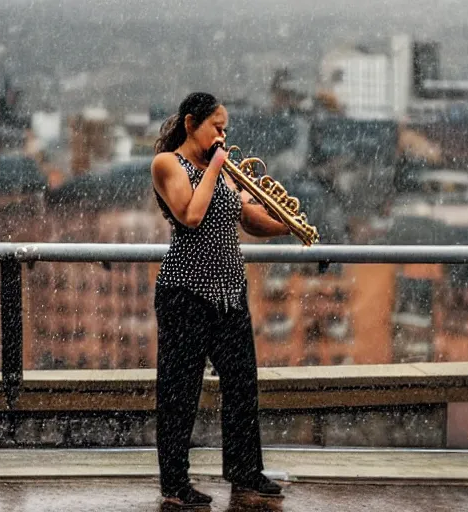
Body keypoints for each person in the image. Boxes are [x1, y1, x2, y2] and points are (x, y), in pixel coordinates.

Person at [151, 92, 290, 508]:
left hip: (230, 294)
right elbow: (190, 214)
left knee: (242, 385)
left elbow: (248, 218)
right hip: (185, 294)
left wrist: (288, 226)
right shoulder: (168, 164)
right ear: (191, 123)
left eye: (225, 128)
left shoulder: (224, 170)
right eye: (217, 127)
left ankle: (246, 472)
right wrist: (215, 165)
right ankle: (175, 484)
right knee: (179, 391)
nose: (223, 135)